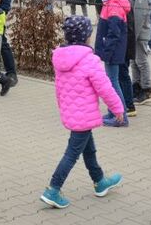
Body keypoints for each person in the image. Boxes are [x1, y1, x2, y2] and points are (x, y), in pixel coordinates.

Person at [39, 15, 124, 209]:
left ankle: (100, 181)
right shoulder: (90, 60)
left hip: (72, 112)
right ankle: (53, 189)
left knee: (89, 149)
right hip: (84, 114)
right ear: (86, 36)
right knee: (71, 154)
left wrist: (63, 108)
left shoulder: (61, 57)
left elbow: (59, 88)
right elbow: (105, 88)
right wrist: (118, 109)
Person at [94, 0, 131, 127]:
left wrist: (106, 52)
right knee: (111, 82)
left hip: (113, 52)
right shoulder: (109, 2)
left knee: (113, 83)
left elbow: (114, 34)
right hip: (112, 51)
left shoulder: (113, 6)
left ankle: (120, 117)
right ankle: (113, 111)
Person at [124, 0, 151, 105]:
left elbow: (140, 14)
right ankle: (136, 86)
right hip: (133, 31)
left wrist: (133, 34)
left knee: (141, 61)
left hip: (139, 32)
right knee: (134, 61)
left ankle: (146, 89)